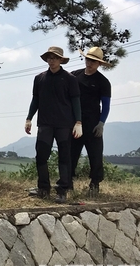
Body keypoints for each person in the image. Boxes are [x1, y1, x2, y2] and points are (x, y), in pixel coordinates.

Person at [25, 46, 82, 203]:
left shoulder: (70, 79)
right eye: (49, 57)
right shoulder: (40, 78)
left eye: (55, 58)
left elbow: (76, 100)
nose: (52, 60)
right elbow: (35, 99)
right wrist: (29, 118)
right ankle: (43, 188)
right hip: (45, 123)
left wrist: (78, 121)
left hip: (64, 124)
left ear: (61, 60)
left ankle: (62, 190)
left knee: (64, 157)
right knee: (41, 156)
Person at [71, 47, 112, 197]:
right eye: (88, 59)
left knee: (95, 155)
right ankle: (68, 183)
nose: (89, 63)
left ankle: (95, 184)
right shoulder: (74, 76)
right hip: (75, 121)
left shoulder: (103, 82)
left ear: (99, 63)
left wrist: (101, 123)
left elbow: (106, 106)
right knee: (71, 153)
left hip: (93, 122)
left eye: (93, 61)